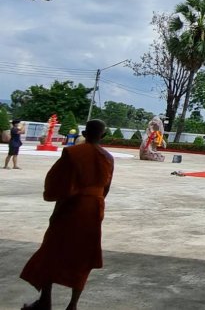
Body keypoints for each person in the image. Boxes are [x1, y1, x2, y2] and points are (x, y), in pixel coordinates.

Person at [20, 119, 114, 310]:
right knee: (84, 256)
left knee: (51, 252)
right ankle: (72, 305)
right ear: (103, 136)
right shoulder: (108, 157)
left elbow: (61, 184)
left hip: (72, 206)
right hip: (94, 209)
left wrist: (56, 211)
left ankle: (45, 302)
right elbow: (105, 189)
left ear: (84, 133)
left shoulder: (73, 153)